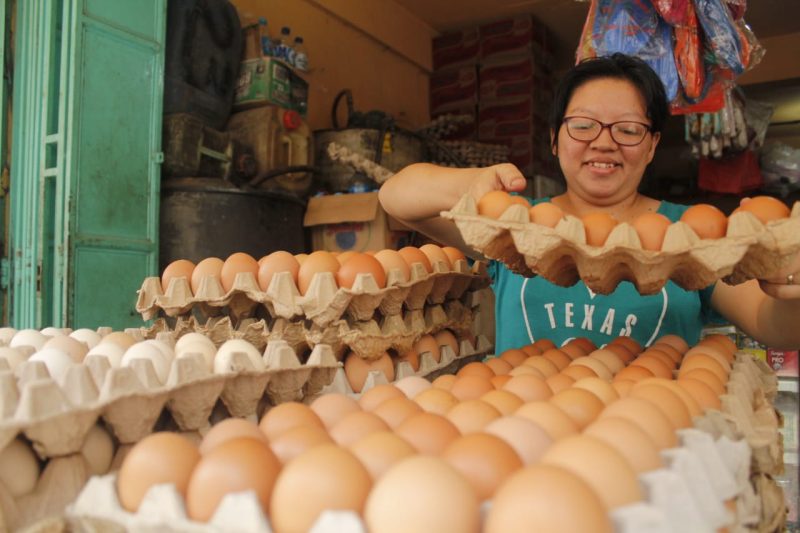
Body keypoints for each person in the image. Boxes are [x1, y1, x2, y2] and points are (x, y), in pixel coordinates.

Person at [380, 53, 800, 352]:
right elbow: (397, 198)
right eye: (583, 125)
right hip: (529, 449)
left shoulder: (688, 234)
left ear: (652, 145)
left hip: (652, 454)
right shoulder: (516, 230)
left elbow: (774, 326)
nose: (603, 142)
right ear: (555, 138)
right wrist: (472, 184)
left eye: (629, 129)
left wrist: (794, 290)